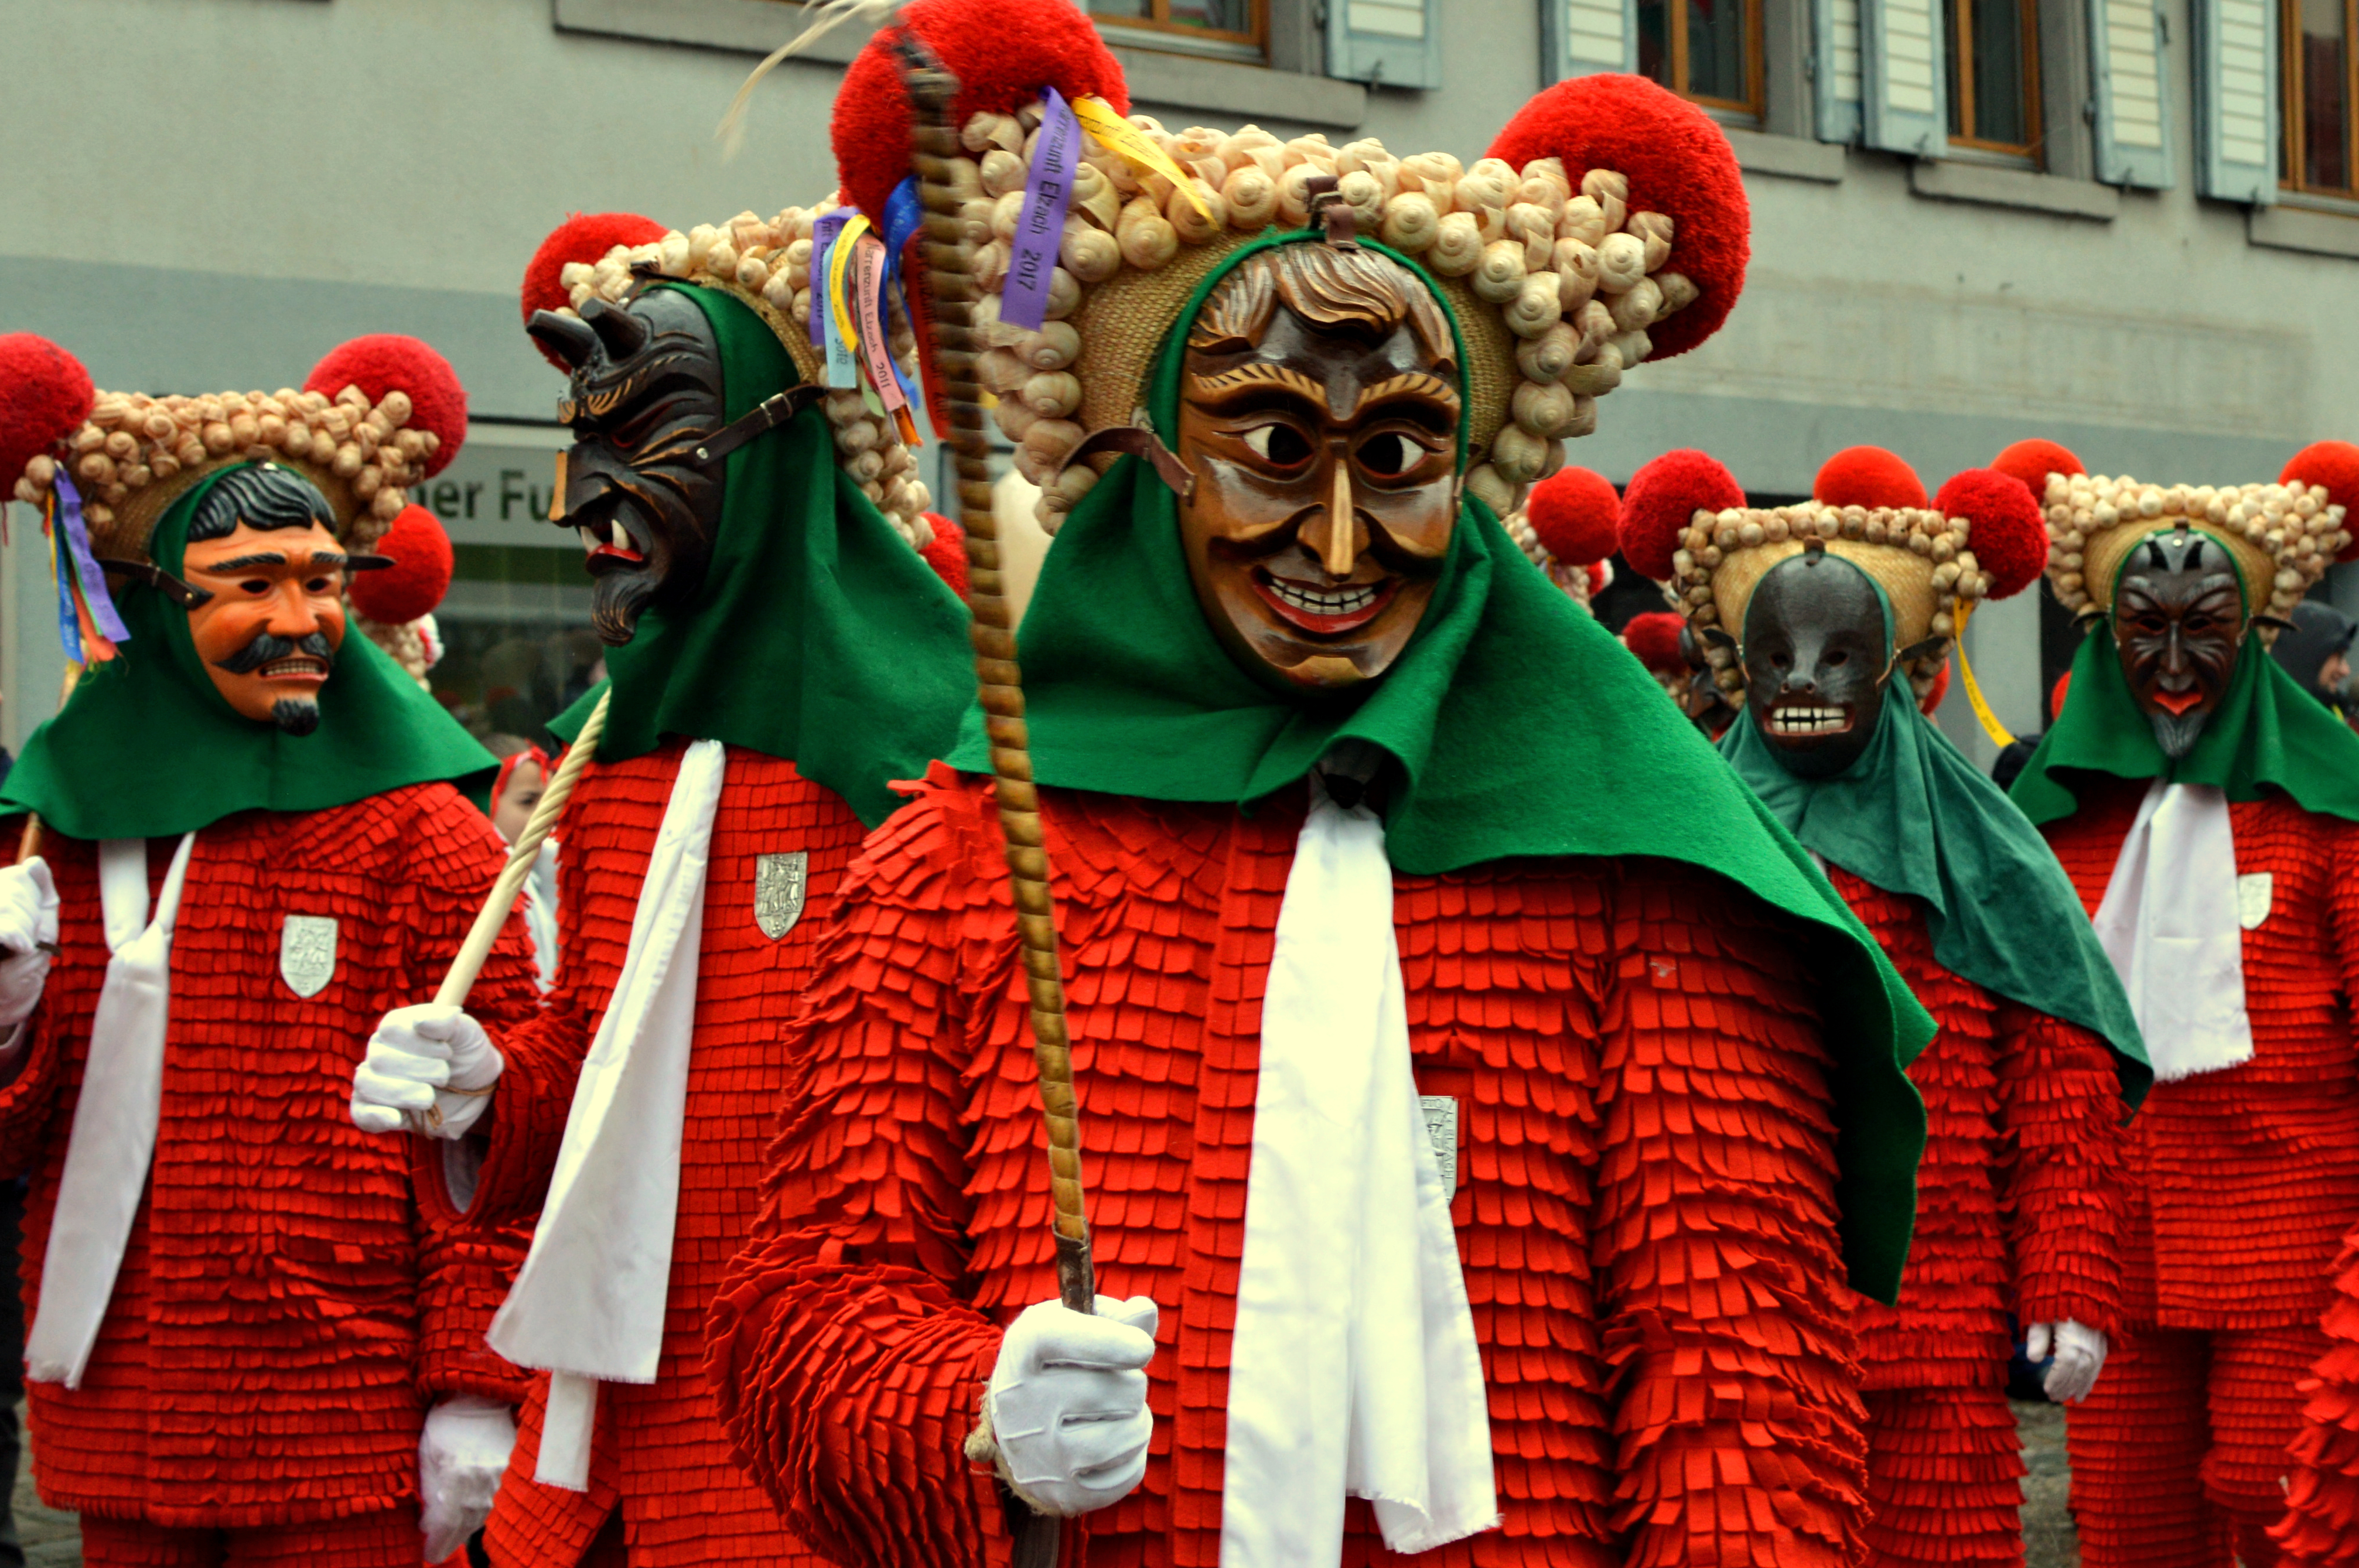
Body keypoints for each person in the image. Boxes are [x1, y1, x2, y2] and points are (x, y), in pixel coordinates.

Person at [707, 19, 1936, 1564]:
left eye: (1405, 451)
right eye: (1275, 446)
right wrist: (969, 1405)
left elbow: (1746, 1415)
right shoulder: (957, 859)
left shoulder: (1648, 883)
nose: (1341, 541)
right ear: (1152, 461)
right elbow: (800, 1310)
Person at [346, 181, 979, 1564]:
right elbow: (595, 1074)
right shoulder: (611, 760)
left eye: (650, 446)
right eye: (582, 451)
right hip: (593, 1463)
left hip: (795, 1472)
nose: (583, 506)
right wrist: (485, 1092)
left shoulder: (934, 763)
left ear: (771, 459)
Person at [0, 332, 538, 1567]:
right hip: (126, 1416)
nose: (302, 621)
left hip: (349, 1430)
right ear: (158, 604)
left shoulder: (428, 840)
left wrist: (477, 1382)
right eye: (252, 584)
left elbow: (504, 1143)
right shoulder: (61, 834)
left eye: (322, 580)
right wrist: (8, 1022)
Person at [1620, 441, 2147, 1567]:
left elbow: (2060, 1072)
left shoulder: (1981, 851)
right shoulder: (1675, 841)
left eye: (1836, 654)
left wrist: (2066, 1277)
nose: (1803, 682)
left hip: (1933, 1329)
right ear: (1737, 668)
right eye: (1777, 656)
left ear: (1897, 666)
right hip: (1718, 1326)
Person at [1997, 436, 2359, 1568]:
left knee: (2271, 1493)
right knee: (2124, 1523)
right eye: (2139, 628)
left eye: (2200, 627)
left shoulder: (2329, 816)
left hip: (2288, 1241)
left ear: (2250, 639)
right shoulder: (2051, 818)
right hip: (2108, 1250)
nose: (2169, 661)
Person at [487, 744, 558, 992]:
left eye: (551, 804)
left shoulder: (546, 873)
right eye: (528, 801)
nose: (545, 816)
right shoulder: (487, 889)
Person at [2271, 600, 2355, 716]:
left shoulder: (2334, 712)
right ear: (2307, 655)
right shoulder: (2271, 719)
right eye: (2339, 657)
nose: (2346, 671)